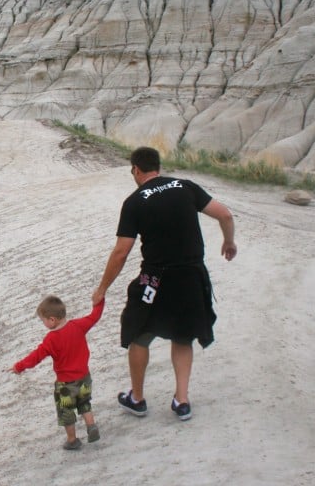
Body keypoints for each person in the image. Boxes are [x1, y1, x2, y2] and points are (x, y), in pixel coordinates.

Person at [91, 146, 236, 421]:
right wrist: (229, 242)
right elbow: (225, 215)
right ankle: (181, 401)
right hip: (192, 275)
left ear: (136, 169)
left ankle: (137, 398)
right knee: (183, 336)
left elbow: (122, 251)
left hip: (155, 277)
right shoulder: (186, 186)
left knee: (138, 333)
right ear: (158, 166)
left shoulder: (134, 201)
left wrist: (102, 289)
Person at [9, 295, 105, 450]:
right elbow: (94, 316)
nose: (44, 323)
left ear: (52, 319)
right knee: (84, 403)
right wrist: (99, 300)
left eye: (43, 320)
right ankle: (91, 426)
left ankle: (72, 440)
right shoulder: (78, 326)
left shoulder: (51, 339)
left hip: (65, 385)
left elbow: (36, 357)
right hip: (85, 378)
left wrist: (19, 367)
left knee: (66, 411)